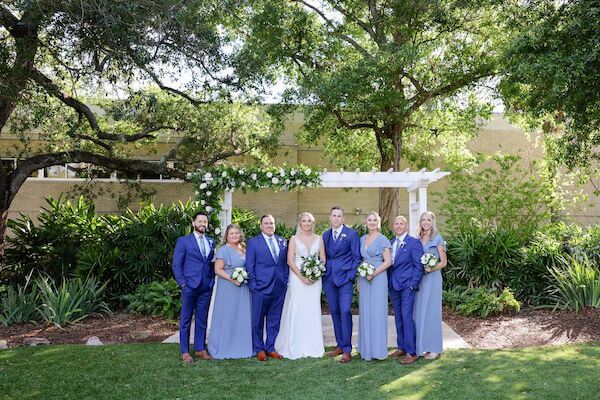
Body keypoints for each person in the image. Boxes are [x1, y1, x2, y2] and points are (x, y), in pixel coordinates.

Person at [276, 212, 326, 359]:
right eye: (304, 221)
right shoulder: (294, 239)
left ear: (313, 223)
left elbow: (322, 258)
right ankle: (294, 343)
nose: (307, 223)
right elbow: (290, 260)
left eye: (309, 221)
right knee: (297, 307)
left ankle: (312, 345)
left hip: (315, 279)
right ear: (300, 223)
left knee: (312, 308)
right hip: (297, 276)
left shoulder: (319, 238)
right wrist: (302, 276)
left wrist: (316, 272)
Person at [172, 211, 216, 364]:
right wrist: (183, 283)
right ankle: (185, 351)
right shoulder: (184, 241)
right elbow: (176, 264)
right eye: (200, 221)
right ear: (193, 223)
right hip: (189, 286)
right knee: (185, 319)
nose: (203, 224)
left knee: (202, 319)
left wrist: (211, 282)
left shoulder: (211, 242)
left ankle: (199, 348)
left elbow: (211, 264)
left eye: (205, 221)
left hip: (205, 287)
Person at [246, 215, 289, 361]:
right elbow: (250, 265)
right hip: (261, 287)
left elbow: (284, 264)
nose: (269, 226)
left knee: (274, 320)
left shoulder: (283, 241)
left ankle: (270, 347)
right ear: (261, 226)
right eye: (266, 223)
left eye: (272, 223)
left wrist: (285, 280)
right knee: (257, 320)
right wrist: (253, 284)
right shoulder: (253, 242)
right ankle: (259, 349)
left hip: (279, 287)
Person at [207, 224, 253, 359]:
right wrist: (232, 279)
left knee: (242, 317)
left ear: (240, 235)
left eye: (236, 233)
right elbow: (218, 270)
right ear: (226, 236)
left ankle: (242, 346)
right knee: (228, 316)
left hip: (243, 288)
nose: (234, 235)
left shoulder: (244, 249)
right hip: (228, 288)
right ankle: (224, 346)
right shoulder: (223, 250)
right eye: (231, 233)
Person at [323, 206, 361, 363]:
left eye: (339, 216)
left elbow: (356, 257)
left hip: (345, 278)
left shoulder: (351, 234)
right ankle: (339, 344)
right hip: (330, 278)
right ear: (330, 218)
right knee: (334, 311)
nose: (336, 218)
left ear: (343, 218)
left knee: (345, 311)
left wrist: (351, 276)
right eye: (334, 215)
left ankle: (347, 349)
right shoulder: (325, 235)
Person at [389, 215, 424, 364]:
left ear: (406, 226)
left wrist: (412, 284)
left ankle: (411, 352)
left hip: (407, 287)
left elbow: (418, 266)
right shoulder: (391, 243)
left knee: (407, 317)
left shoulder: (414, 243)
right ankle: (401, 347)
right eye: (396, 224)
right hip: (394, 286)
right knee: (398, 317)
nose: (398, 226)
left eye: (401, 224)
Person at [357, 211, 392, 361]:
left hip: (378, 277)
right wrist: (360, 278)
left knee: (377, 312)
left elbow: (388, 261)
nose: (371, 222)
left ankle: (378, 350)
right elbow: (360, 260)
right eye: (369, 220)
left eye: (374, 220)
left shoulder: (383, 239)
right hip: (365, 278)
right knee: (365, 312)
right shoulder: (361, 239)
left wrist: (374, 273)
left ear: (378, 222)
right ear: (366, 222)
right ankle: (366, 350)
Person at [414, 211, 447, 360]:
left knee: (432, 312)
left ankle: (434, 347)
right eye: (423, 220)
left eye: (428, 220)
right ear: (420, 222)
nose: (425, 222)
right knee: (420, 311)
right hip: (420, 279)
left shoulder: (438, 239)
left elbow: (443, 262)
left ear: (432, 222)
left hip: (433, 278)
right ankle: (421, 346)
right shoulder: (418, 239)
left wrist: (430, 268)